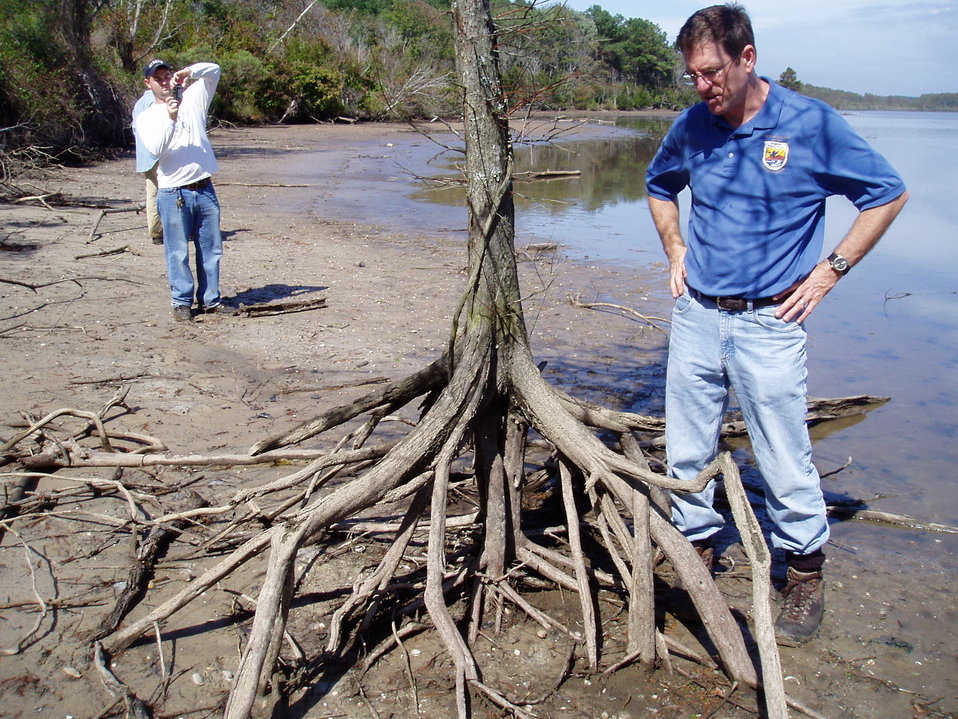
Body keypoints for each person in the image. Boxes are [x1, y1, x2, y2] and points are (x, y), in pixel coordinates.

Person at [645, 3, 907, 647]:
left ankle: (805, 573)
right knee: (687, 447)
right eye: (693, 76)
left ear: (747, 58)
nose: (703, 86)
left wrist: (830, 271)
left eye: (711, 73)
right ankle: (697, 553)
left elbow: (887, 193)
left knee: (784, 455)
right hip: (698, 314)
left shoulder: (810, 123)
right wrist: (675, 250)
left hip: (771, 324)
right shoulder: (691, 126)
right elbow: (659, 185)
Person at [134, 58, 233, 321]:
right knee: (177, 251)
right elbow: (156, 149)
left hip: (204, 187)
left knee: (211, 248)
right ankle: (181, 302)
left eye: (168, 75)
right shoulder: (146, 117)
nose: (165, 81)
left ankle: (211, 299)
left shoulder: (193, 98)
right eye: (159, 78)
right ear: (149, 83)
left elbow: (214, 70)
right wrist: (170, 117)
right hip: (172, 192)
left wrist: (189, 72)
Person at [132, 85, 163, 245]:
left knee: (152, 193)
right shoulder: (155, 102)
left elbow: (134, 129)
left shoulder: (139, 103)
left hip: (145, 157)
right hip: (158, 155)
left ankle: (155, 232)